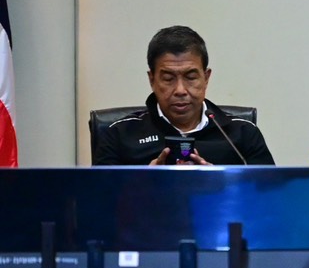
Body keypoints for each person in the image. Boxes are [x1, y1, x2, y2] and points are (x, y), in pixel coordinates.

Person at [94, 25, 275, 166]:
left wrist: (220, 183)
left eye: (190, 77)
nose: (180, 90)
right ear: (152, 80)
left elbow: (270, 197)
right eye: (168, 78)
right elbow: (96, 199)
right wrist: (143, 182)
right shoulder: (119, 135)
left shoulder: (242, 133)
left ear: (206, 78)